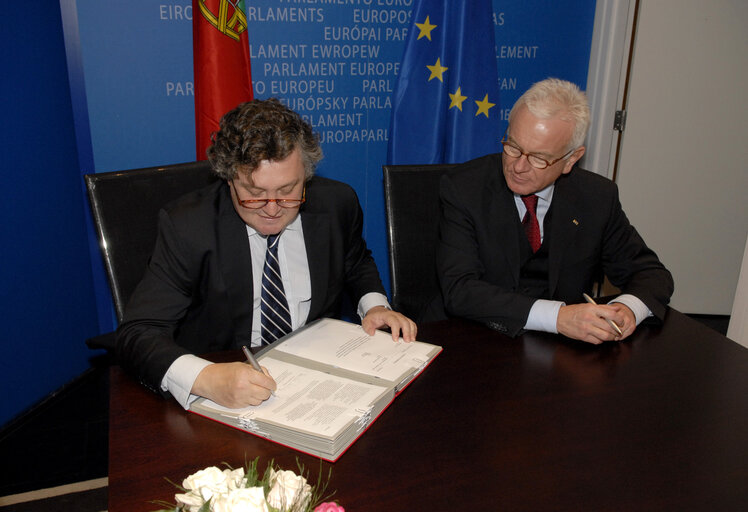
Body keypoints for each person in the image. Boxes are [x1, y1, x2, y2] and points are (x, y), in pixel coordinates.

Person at [117, 98, 416, 409]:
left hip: (317, 381)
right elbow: (137, 333)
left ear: (307, 175)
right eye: (255, 194)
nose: (272, 209)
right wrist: (206, 378)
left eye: (288, 190)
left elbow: (354, 262)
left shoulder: (337, 203)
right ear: (228, 178)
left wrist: (374, 306)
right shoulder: (189, 227)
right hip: (223, 389)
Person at [437, 78, 673, 344]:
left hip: (562, 351)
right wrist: (558, 317)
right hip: (476, 340)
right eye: (512, 146)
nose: (518, 166)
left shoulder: (596, 197)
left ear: (571, 159)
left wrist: (628, 309)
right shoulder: (464, 188)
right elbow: (460, 290)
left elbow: (651, 274)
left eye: (538, 157)